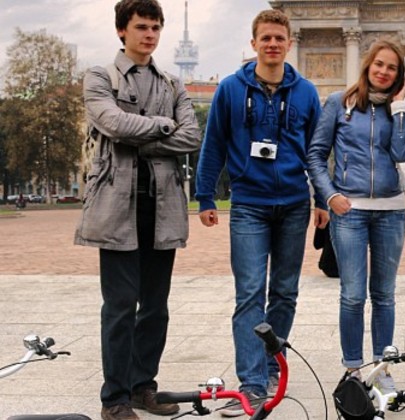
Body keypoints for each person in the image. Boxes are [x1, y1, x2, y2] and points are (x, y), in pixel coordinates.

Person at [194, 9, 329, 417]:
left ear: (290, 43)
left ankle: (272, 365)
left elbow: (317, 152)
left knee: (285, 292)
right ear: (254, 43)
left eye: (279, 38)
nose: (272, 44)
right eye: (265, 38)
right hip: (249, 204)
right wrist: (204, 196)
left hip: (293, 204)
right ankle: (252, 384)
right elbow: (213, 142)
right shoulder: (231, 90)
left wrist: (322, 199)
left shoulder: (306, 92)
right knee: (250, 293)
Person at [74, 0, 202, 419]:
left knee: (156, 306)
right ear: (121, 31)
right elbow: (112, 123)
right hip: (116, 205)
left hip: (161, 205)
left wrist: (144, 134)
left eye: (155, 27)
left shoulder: (172, 83)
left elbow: (191, 137)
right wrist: (165, 126)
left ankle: (143, 386)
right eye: (142, 27)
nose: (150, 34)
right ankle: (114, 398)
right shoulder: (98, 75)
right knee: (120, 305)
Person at [307, 40, 405, 394]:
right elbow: (316, 154)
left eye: (392, 67)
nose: (384, 71)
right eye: (379, 64)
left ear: (399, 75)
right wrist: (330, 195)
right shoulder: (339, 102)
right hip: (349, 211)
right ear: (367, 66)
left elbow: (402, 152)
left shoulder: (399, 110)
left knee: (384, 294)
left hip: (391, 212)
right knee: (352, 294)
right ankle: (353, 368)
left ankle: (383, 368)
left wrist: (401, 110)